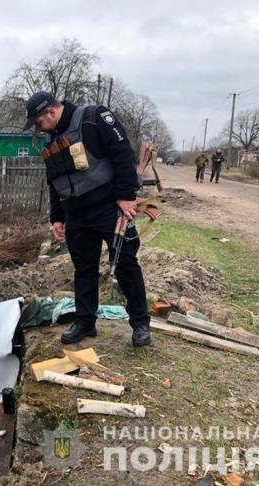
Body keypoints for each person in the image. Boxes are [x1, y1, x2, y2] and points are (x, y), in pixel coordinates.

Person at [22, 91, 151, 347]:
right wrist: (57, 217)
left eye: (38, 122)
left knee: (125, 264)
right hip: (76, 215)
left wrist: (126, 196)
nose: (38, 128)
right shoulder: (53, 140)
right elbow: (54, 181)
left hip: (109, 209)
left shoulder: (94, 119)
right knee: (84, 270)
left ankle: (140, 325)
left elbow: (123, 153)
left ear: (51, 112)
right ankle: (85, 322)